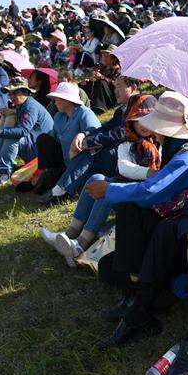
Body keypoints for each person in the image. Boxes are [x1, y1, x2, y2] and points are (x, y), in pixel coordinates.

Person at [93, 92, 188, 349]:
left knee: (129, 208)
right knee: (108, 266)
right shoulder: (179, 149)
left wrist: (110, 189)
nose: (153, 131)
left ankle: (138, 302)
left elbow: (151, 192)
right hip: (171, 221)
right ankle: (139, 291)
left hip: (178, 231)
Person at [42, 94, 158, 266]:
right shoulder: (127, 143)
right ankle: (70, 234)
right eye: (138, 120)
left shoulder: (159, 142)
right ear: (130, 122)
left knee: (108, 188)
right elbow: (124, 167)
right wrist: (150, 172)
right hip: (131, 190)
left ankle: (80, 244)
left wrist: (151, 174)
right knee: (96, 179)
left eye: (148, 119)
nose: (144, 124)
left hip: (145, 196)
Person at [37, 82, 101, 206]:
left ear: (66, 100)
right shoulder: (58, 116)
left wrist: (81, 137)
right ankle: (53, 176)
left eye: (57, 99)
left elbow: (96, 136)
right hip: (65, 161)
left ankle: (63, 189)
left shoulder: (84, 113)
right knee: (43, 139)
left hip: (83, 162)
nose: (54, 102)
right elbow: (54, 139)